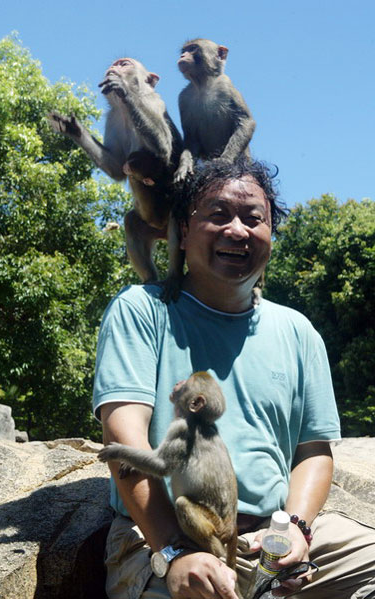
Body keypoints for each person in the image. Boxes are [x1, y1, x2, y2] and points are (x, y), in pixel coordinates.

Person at [93, 156, 375, 599]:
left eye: (253, 218)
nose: (237, 231)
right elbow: (124, 438)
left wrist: (296, 529)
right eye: (218, 215)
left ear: (270, 235)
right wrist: (172, 552)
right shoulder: (141, 310)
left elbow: (314, 451)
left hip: (274, 536)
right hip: (167, 536)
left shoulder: (297, 331)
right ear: (182, 232)